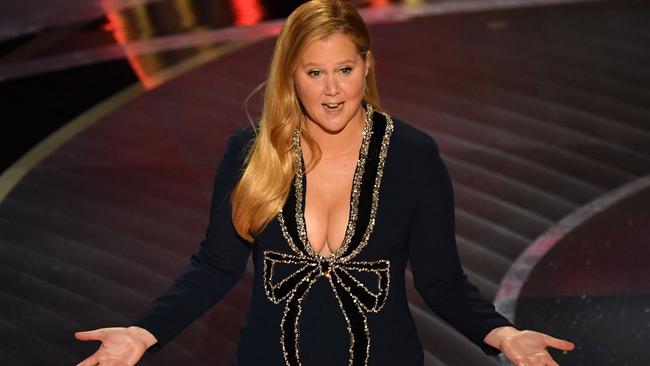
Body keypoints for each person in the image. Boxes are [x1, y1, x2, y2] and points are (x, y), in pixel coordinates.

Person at [74, 1, 575, 365]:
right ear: (290, 74)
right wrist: (144, 333)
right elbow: (214, 266)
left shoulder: (412, 156)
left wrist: (503, 335)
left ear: (366, 66)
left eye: (344, 69)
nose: (332, 90)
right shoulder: (250, 152)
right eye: (314, 72)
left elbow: (441, 280)